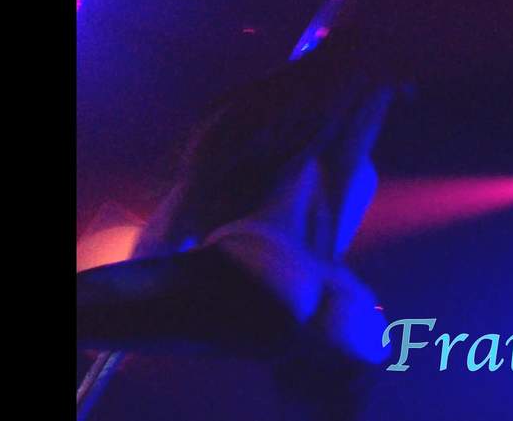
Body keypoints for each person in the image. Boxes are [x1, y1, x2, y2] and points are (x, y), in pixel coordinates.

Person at [77, 31, 397, 420]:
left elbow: (169, 228)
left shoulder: (259, 121)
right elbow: (327, 255)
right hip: (321, 317)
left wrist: (135, 294)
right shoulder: (359, 172)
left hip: (248, 273)